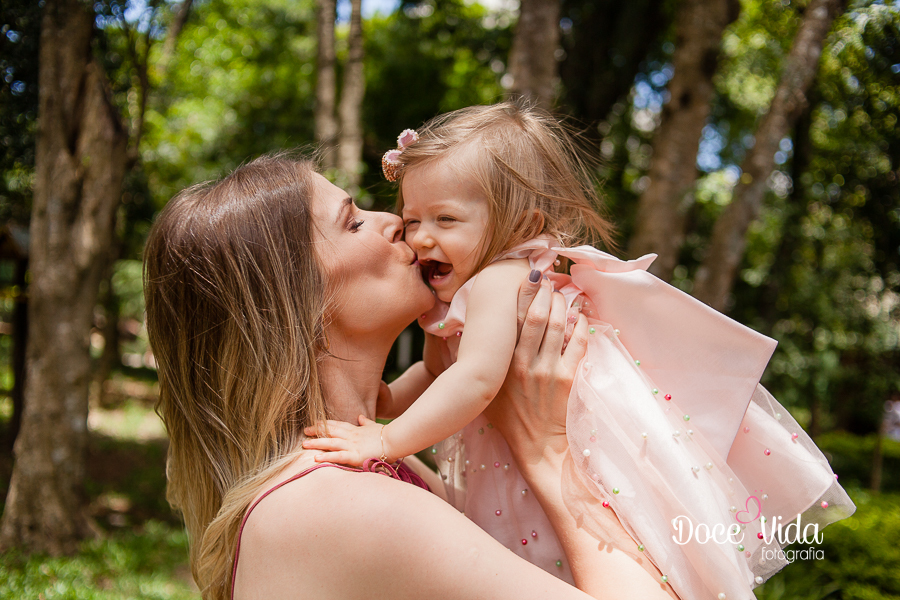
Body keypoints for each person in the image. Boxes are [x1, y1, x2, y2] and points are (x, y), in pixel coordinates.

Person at [302, 101, 856, 600]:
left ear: (523, 225)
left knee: (553, 548)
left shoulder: (499, 278)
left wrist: (386, 439)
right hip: (530, 450)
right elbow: (434, 369)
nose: (419, 236)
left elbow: (475, 380)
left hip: (581, 448)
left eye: (446, 219)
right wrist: (387, 398)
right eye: (416, 217)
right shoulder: (452, 297)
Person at [143, 154, 675, 600]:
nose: (393, 220)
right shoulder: (342, 507)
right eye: (352, 221)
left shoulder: (378, 474)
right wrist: (547, 449)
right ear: (295, 301)